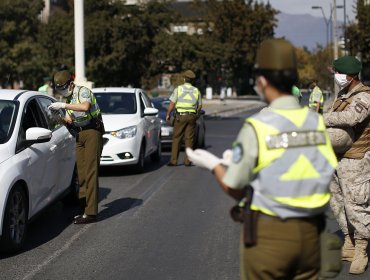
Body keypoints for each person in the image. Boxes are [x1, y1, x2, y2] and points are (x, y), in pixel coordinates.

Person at [186, 38, 338, 279]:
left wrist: (214, 165)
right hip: (311, 235)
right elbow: (325, 170)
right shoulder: (316, 122)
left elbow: (235, 188)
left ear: (263, 81)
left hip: (270, 235)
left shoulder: (258, 125)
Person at [324, 55, 370, 275]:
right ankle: (349, 241)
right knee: (338, 202)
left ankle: (361, 249)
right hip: (337, 157)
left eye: (338, 73)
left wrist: (324, 120)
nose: (336, 77)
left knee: (356, 204)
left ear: (350, 76)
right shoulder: (342, 95)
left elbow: (352, 118)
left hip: (356, 159)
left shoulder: (365, 96)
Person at [48, 70, 105, 224]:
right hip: (79, 135)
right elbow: (70, 120)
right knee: (81, 173)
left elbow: (85, 107)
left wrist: (64, 104)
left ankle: (91, 213)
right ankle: (83, 208)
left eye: (63, 87)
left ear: (71, 83)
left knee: (91, 171)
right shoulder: (67, 97)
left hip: (92, 132)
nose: (61, 91)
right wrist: (58, 118)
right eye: (59, 88)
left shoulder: (83, 91)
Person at [166, 70, 202, 166]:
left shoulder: (178, 89)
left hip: (180, 117)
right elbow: (200, 106)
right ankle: (187, 161)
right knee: (189, 139)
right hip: (191, 116)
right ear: (192, 80)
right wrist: (195, 114)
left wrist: (168, 114)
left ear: (184, 78)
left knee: (177, 138)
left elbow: (172, 103)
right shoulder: (196, 90)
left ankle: (174, 161)